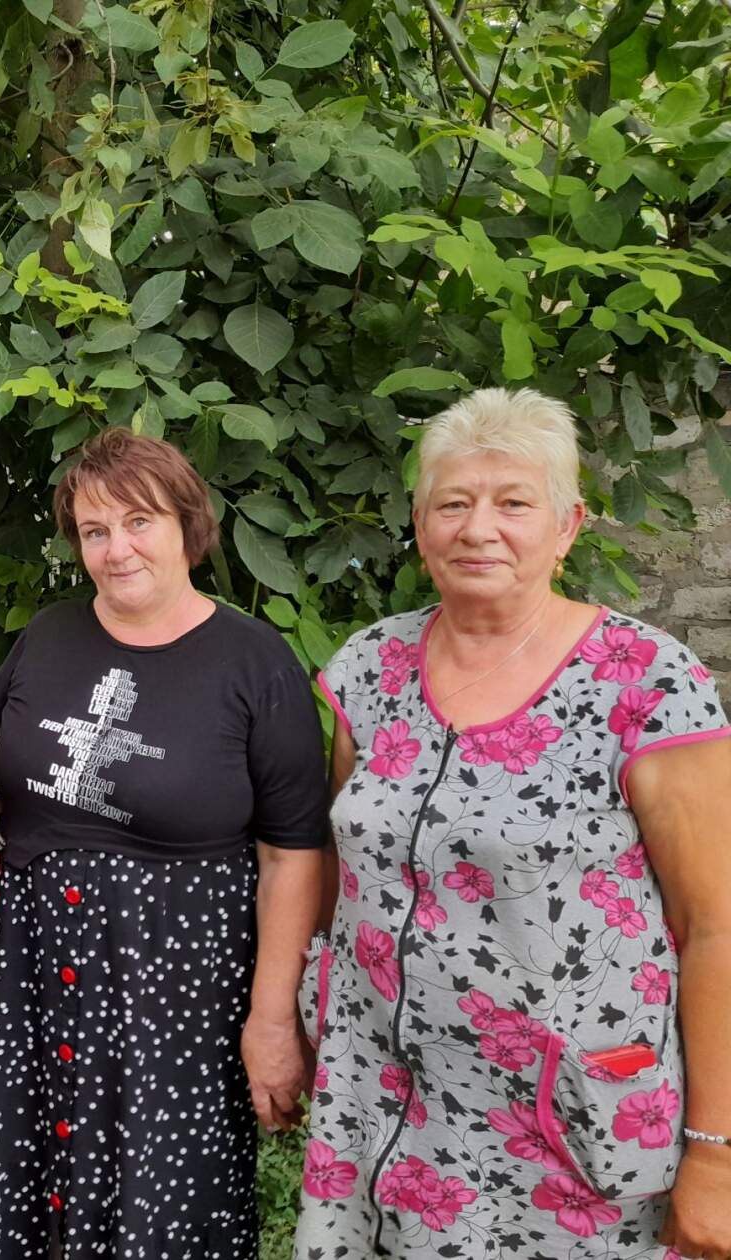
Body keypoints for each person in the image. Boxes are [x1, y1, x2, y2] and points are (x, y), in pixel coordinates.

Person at [295, 388, 731, 1258]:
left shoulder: (645, 682)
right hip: (386, 1110)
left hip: (567, 1125)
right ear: (420, 525)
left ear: (567, 528)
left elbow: (714, 924)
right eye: (452, 502)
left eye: (513, 502)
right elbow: (346, 872)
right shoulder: (371, 668)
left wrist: (717, 1157)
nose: (477, 527)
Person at [0, 427, 328, 1259]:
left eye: (138, 522)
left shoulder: (253, 661)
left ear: (187, 526)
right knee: (28, 1187)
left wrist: (272, 1019)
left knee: (160, 1210)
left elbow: (293, 854)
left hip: (179, 1003)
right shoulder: (47, 638)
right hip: (37, 989)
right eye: (95, 531)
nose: (116, 548)